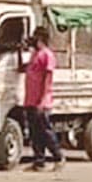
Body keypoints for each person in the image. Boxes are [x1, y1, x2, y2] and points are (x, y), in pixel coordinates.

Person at [22, 26, 64, 171]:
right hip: (30, 100)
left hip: (41, 101)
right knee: (35, 133)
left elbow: (48, 79)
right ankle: (39, 160)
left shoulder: (47, 55)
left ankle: (58, 156)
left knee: (45, 131)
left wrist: (42, 100)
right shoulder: (35, 54)